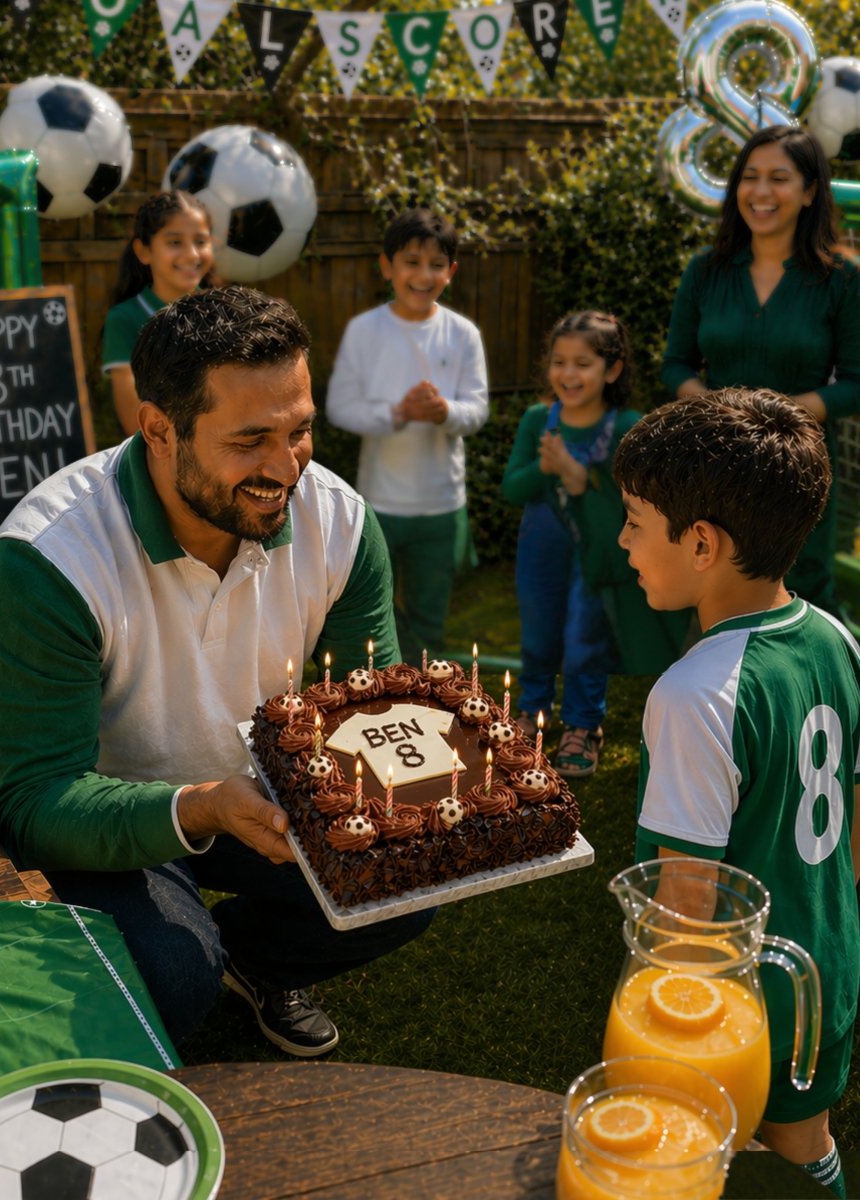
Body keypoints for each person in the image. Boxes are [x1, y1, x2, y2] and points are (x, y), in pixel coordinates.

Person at [0, 286, 433, 1056]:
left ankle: (248, 957)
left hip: (260, 798)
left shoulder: (342, 521)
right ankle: (185, 946)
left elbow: (370, 712)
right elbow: (32, 801)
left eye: (300, 431)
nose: (284, 468)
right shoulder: (47, 559)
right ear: (158, 428)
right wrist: (201, 808)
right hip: (100, 813)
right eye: (251, 439)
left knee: (407, 880)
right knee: (174, 982)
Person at [614, 387, 860, 1197]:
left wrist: (668, 1030)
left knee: (697, 1162)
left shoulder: (695, 696)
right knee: (804, 1144)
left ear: (703, 544)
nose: (622, 542)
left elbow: (687, 907)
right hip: (828, 967)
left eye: (636, 523)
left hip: (737, 1010)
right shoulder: (838, 638)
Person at [661, 124, 860, 616]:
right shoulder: (705, 270)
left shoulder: (842, 278)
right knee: (719, 585)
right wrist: (718, 413)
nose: (761, 192)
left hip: (801, 466)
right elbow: (675, 365)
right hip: (715, 464)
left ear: (810, 190)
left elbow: (857, 383)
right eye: (750, 177)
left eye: (780, 178)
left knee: (805, 590)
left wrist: (777, 417)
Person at [501, 312, 688, 778]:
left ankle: (583, 725)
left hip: (599, 555)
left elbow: (640, 500)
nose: (568, 374)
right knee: (540, 633)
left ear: (613, 369)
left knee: (587, 638)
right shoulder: (536, 421)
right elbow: (511, 490)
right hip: (541, 551)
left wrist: (577, 475)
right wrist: (546, 469)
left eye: (582, 363)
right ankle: (532, 712)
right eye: (559, 362)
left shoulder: (626, 424)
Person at [325, 207, 489, 664]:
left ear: (451, 272)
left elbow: (476, 411)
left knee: (430, 616)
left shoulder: (463, 334)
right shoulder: (365, 331)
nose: (423, 275)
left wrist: (443, 412)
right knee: (368, 610)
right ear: (387, 267)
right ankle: (374, 687)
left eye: (436, 264)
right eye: (411, 262)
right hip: (378, 504)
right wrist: (398, 413)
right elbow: (340, 407)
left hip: (442, 505)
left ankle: (426, 693)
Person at [102, 191, 216, 437]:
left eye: (200, 241)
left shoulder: (220, 311)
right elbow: (131, 409)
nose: (192, 254)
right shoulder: (125, 318)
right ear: (144, 251)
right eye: (175, 242)